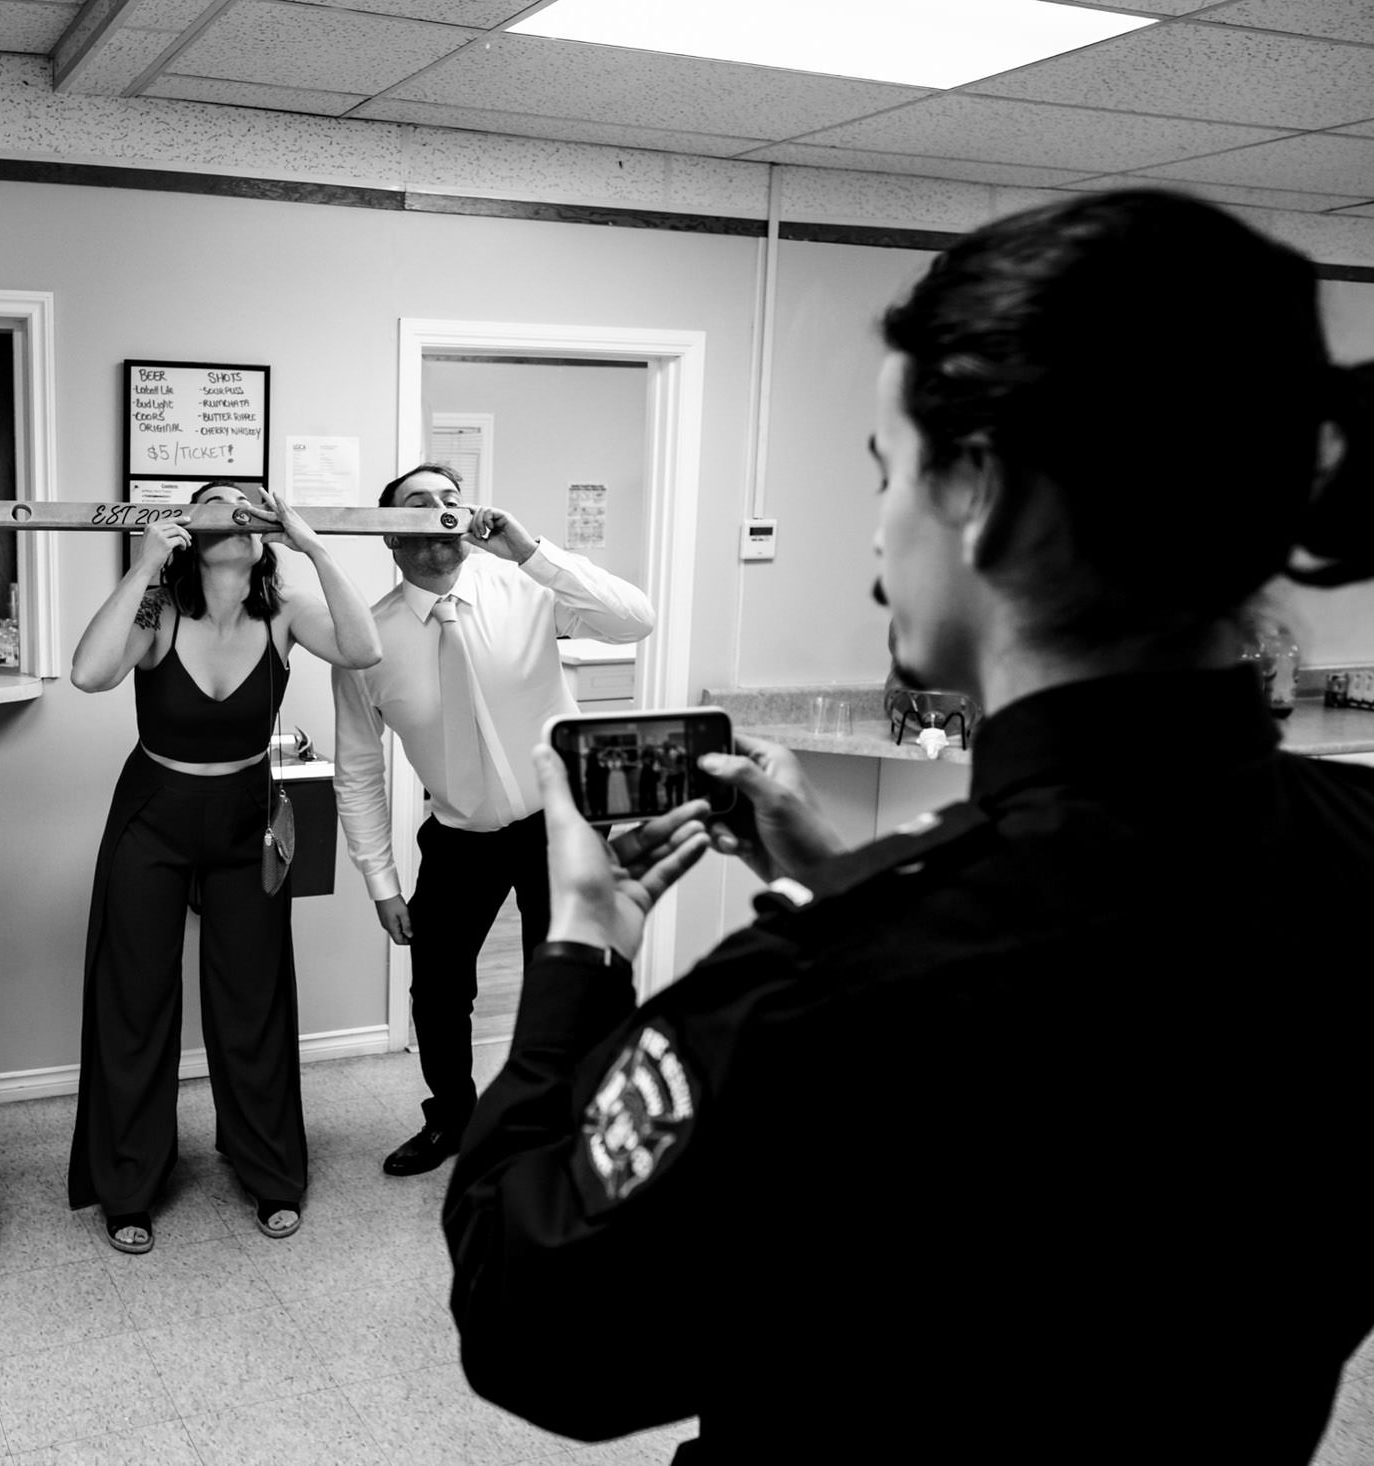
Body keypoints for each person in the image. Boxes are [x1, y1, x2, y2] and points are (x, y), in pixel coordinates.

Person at [443, 190, 1374, 1464]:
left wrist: (586, 938)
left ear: (977, 490)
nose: (878, 548)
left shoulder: (808, 999)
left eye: (888, 479)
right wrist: (842, 873)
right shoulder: (1356, 842)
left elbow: (529, 1316)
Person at [68, 482, 381, 1252]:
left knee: (254, 997)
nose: (234, 514)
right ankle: (130, 1183)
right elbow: (90, 673)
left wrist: (315, 547)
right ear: (191, 531)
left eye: (248, 506)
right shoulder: (159, 612)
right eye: (216, 504)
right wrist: (143, 566)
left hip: (251, 818)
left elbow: (365, 647)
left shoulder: (287, 613)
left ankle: (268, 1170)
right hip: (153, 815)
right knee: (134, 999)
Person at [331, 465, 655, 1177]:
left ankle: (566, 1126)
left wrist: (529, 549)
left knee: (573, 981)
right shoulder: (366, 644)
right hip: (458, 836)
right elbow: (357, 770)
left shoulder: (528, 588)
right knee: (438, 991)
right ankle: (452, 1119)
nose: (442, 514)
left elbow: (635, 621)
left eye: (452, 500)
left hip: (561, 823)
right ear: (392, 533)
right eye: (420, 506)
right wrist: (382, 881)